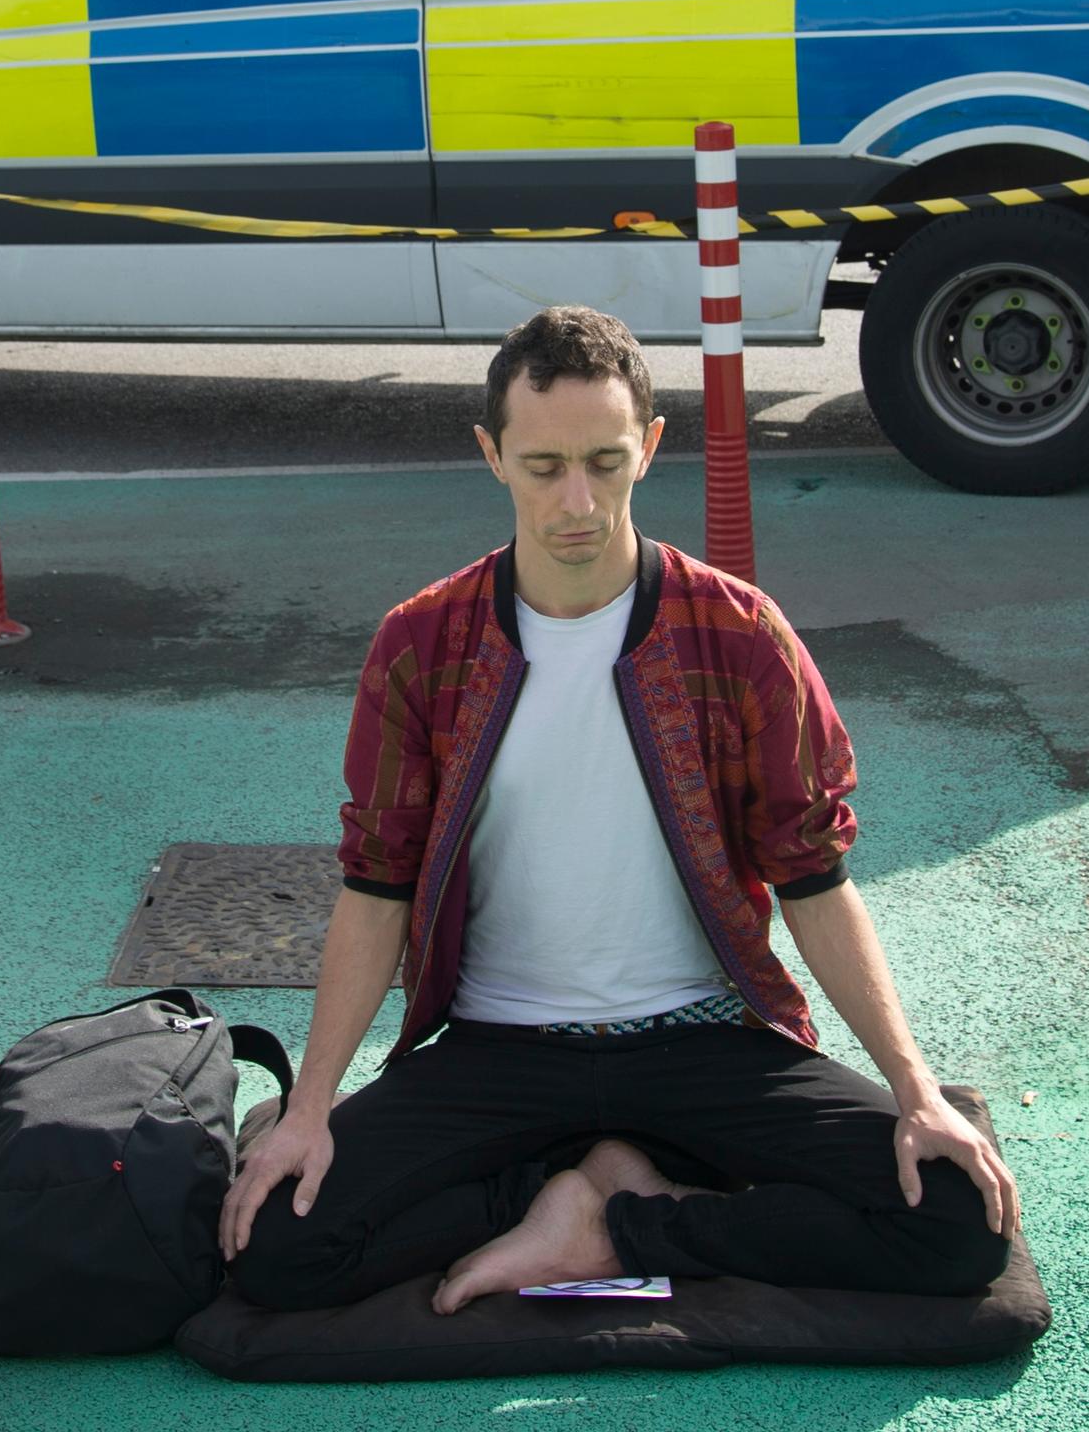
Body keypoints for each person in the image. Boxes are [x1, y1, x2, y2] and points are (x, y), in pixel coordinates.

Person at [224, 306, 1020, 1317]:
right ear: (492, 455)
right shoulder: (421, 643)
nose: (577, 500)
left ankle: (615, 1225)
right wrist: (311, 1108)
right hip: (501, 1047)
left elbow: (816, 881)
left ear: (649, 445)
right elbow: (375, 885)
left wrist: (914, 1090)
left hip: (702, 1041)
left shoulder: (739, 635)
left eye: (604, 461)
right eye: (545, 465)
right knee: (281, 1248)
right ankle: (551, 1194)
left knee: (954, 1221)